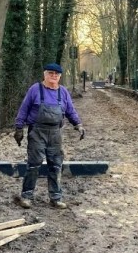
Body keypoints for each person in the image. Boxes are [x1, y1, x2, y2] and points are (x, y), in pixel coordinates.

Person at [13, 63, 85, 209]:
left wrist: (78, 124)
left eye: (56, 74)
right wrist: (19, 128)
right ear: (45, 74)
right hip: (37, 132)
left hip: (55, 134)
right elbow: (24, 109)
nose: (53, 76)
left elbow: (70, 111)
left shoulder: (63, 92)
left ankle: (55, 198)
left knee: (56, 165)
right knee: (34, 164)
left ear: (60, 76)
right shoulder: (35, 89)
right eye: (50, 73)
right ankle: (26, 196)